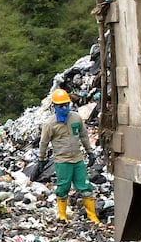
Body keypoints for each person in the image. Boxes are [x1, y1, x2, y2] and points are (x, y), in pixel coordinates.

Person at [38, 88, 99, 222]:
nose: (64, 108)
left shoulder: (76, 118)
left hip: (77, 160)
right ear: (55, 106)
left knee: (85, 187)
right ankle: (62, 215)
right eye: (61, 106)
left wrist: (90, 152)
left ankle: (92, 216)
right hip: (62, 161)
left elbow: (84, 136)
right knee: (63, 188)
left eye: (66, 104)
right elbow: (43, 143)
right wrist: (41, 159)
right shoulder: (50, 124)